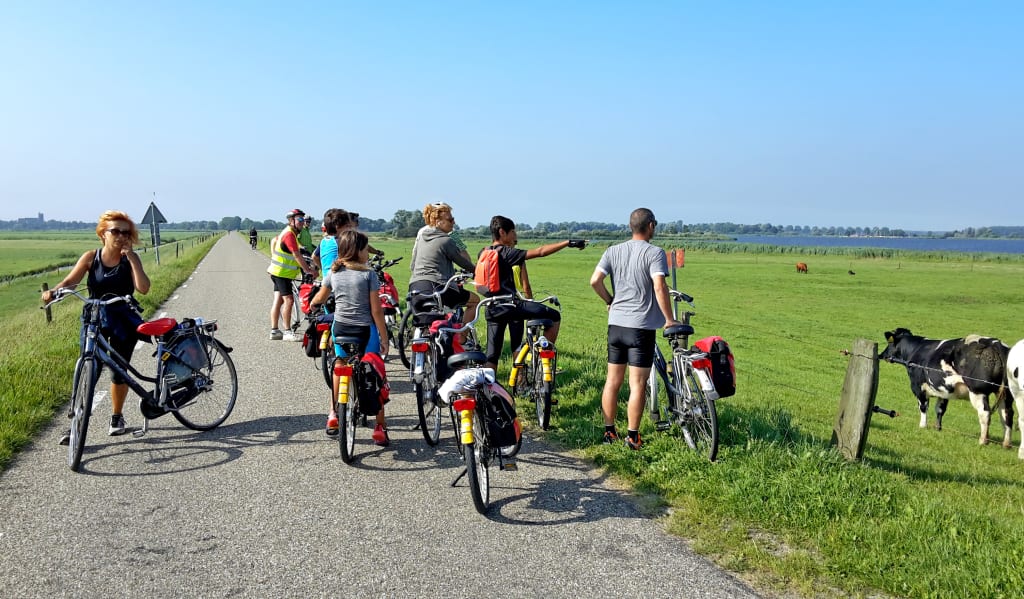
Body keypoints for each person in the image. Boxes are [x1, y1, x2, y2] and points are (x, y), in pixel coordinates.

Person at [42, 210, 152, 438]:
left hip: (123, 318)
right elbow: (71, 281)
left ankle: (117, 416)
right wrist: (55, 291)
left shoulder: (130, 258)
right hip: (94, 318)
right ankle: (77, 423)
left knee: (119, 371)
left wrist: (132, 258)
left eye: (126, 232)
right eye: (116, 231)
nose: (121, 236)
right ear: (103, 234)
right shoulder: (91, 257)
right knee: (89, 369)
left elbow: (143, 288)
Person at [589, 208, 679, 450]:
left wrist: (610, 300)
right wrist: (669, 319)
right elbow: (659, 286)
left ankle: (609, 432)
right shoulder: (655, 253)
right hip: (641, 328)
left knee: (612, 381)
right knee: (637, 384)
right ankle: (633, 436)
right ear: (650, 226)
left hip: (616, 325)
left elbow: (594, 281)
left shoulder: (612, 251)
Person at [310, 230, 391, 443]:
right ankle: (380, 426)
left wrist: (314, 306)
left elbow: (318, 299)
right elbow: (376, 311)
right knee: (376, 372)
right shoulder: (368, 275)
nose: (367, 253)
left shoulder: (334, 273)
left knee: (340, 365)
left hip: (341, 329)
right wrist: (384, 338)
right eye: (365, 248)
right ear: (357, 251)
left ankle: (333, 414)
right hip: (365, 330)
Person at [480, 215, 587, 370]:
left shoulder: (483, 252)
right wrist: (566, 243)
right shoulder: (506, 253)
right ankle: (541, 362)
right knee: (554, 316)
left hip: (491, 308)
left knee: (492, 355)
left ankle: (489, 390)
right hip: (510, 306)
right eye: (513, 232)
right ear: (502, 232)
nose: (515, 236)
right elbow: (541, 251)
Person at [409, 202, 478, 323]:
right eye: (451, 219)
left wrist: (415, 272)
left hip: (415, 283)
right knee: (472, 300)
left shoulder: (422, 233)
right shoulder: (450, 236)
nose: (453, 222)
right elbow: (462, 255)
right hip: (437, 282)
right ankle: (461, 337)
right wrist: (475, 270)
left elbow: (415, 254)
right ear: (437, 220)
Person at [267, 209, 316, 341]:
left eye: (302, 219)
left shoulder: (291, 233)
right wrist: (308, 270)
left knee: (278, 300)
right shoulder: (289, 234)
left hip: (277, 272)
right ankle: (287, 332)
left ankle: (274, 331)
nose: (302, 222)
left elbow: (297, 249)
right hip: (281, 273)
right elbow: (297, 255)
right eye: (299, 220)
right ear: (291, 221)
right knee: (289, 300)